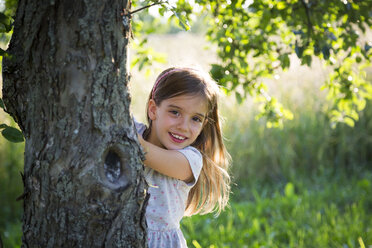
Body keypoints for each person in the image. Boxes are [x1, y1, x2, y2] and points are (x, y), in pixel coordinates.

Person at [134, 67, 230, 247]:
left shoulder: (190, 159)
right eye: (175, 112)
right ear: (153, 110)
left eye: (196, 119)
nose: (184, 126)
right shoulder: (136, 133)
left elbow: (142, 150)